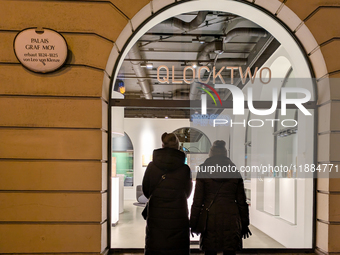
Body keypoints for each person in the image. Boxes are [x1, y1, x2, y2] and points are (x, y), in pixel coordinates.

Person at [190, 140, 251, 255]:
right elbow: (241, 201)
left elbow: (197, 201)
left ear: (211, 153)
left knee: (210, 251)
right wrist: (244, 223)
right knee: (229, 251)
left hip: (210, 218)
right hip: (231, 217)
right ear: (225, 154)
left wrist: (193, 223)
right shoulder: (234, 171)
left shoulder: (203, 170)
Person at [142, 132, 192, 255]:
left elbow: (146, 190)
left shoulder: (152, 167)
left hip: (156, 214)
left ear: (162, 145)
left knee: (156, 245)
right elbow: (188, 193)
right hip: (178, 215)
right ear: (178, 146)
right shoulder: (185, 169)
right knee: (177, 248)